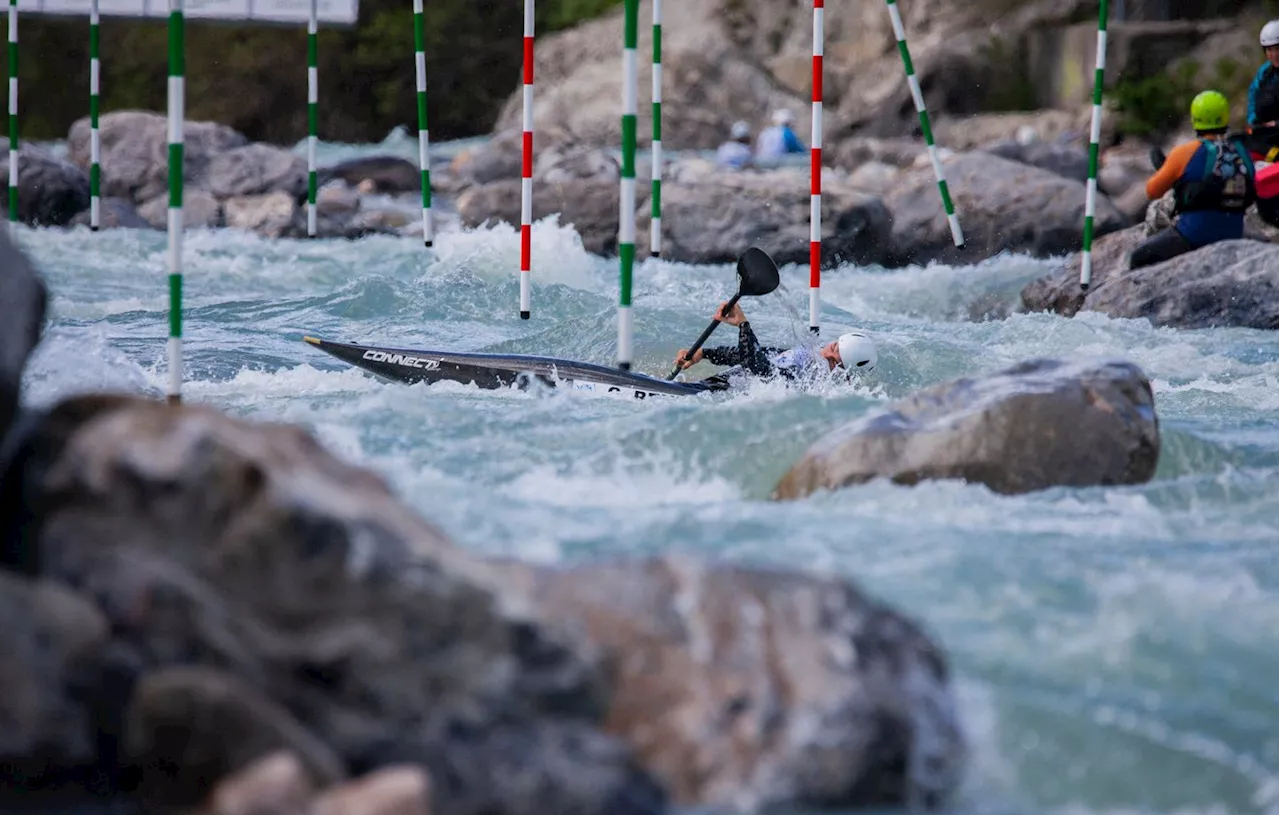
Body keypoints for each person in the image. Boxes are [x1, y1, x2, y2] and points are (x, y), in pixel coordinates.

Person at [1130, 90, 1256, 271]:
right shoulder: (1243, 152)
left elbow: (1152, 191)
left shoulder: (1184, 152)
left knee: (1139, 257)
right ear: (1225, 117)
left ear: (1195, 118)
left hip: (1192, 235)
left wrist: (1166, 169)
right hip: (1233, 234)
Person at [673, 301, 877, 386]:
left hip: (715, 395)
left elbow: (758, 368)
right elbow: (760, 355)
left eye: (834, 363)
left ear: (845, 376)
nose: (826, 356)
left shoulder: (807, 378)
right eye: (832, 348)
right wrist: (705, 353)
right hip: (710, 388)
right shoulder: (805, 358)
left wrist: (744, 325)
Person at [1249, 20, 1280, 128]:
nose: (1274, 54)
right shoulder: (1264, 73)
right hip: (1267, 134)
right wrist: (1254, 123)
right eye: (1269, 50)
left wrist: (1277, 124)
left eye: (1278, 49)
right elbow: (1253, 99)